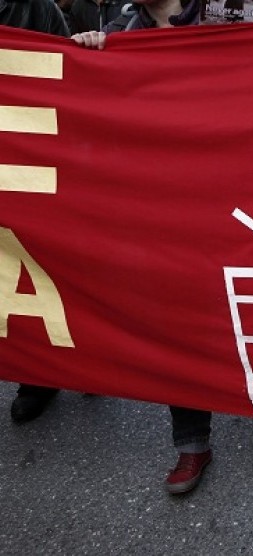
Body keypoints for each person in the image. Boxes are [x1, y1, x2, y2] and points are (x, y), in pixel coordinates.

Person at [72, 0, 253, 494]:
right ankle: (191, 443)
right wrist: (87, 52)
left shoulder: (224, 9)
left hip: (237, 185)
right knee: (176, 317)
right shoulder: (121, 29)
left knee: (247, 300)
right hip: (166, 204)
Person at [1, 0, 70, 425]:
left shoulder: (34, 7)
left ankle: (37, 374)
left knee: (27, 260)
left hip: (24, 152)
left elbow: (69, 70)